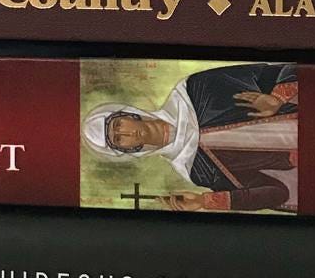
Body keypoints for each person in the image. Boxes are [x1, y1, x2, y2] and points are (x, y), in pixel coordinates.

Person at [82, 61, 298, 212]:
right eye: (119, 139)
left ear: (127, 113)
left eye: (119, 124)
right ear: (125, 150)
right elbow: (278, 193)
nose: (127, 132)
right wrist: (205, 201)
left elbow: (290, 69)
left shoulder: (198, 89)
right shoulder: (195, 169)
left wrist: (278, 98)